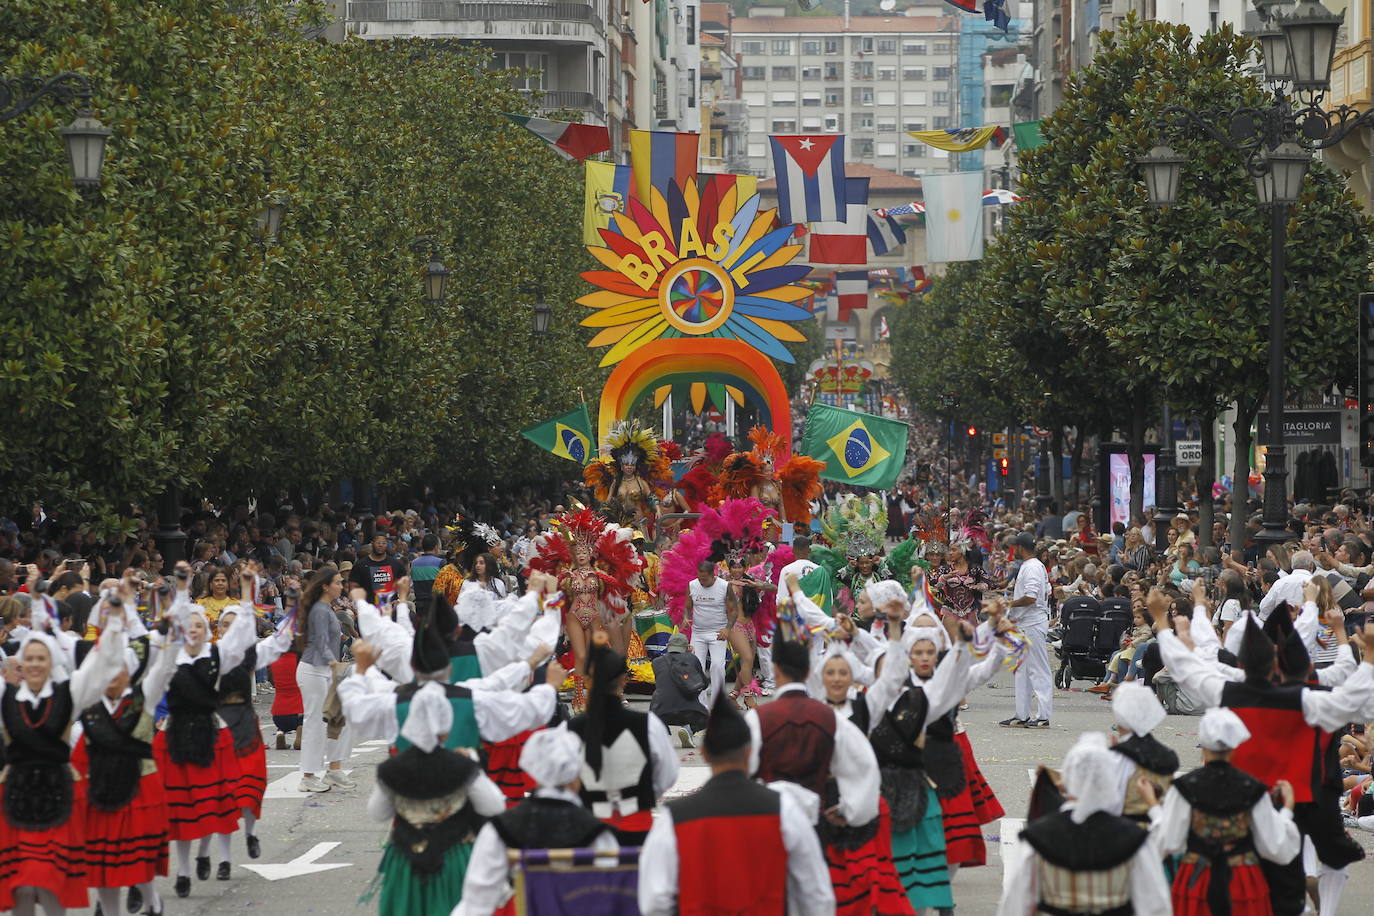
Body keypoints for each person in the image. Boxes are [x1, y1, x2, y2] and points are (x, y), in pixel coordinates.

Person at [638, 691, 835, 916]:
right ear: (750, 751)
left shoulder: (674, 818)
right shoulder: (784, 810)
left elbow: (655, 902)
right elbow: (816, 895)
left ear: (704, 753)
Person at [0, 588, 128, 915]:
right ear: (20, 663)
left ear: (51, 663)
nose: (34, 664)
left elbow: (100, 664)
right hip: (15, 797)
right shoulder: (7, 697)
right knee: (21, 887)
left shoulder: (67, 694)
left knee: (49, 881)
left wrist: (113, 622)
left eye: (41, 658)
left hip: (57, 794)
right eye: (29, 658)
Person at [72, 592, 179, 916]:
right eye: (107, 671)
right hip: (101, 788)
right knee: (104, 858)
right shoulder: (88, 707)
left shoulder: (142, 699)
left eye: (119, 671)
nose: (112, 677)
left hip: (139, 788)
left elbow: (163, 666)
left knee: (138, 856)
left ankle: (151, 902)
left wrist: (165, 627)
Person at [366, 679, 506, 916]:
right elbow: (494, 806)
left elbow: (377, 813)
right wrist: (473, 761)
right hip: (453, 856)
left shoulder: (391, 769)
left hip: (406, 857)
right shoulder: (462, 765)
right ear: (445, 728)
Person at [1144, 707, 1301, 916]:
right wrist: (1287, 811)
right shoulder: (1252, 787)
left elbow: (1168, 841)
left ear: (1203, 747)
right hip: (1241, 878)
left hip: (1197, 878)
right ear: (1234, 748)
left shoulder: (1185, 786)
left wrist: (1155, 808)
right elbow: (1276, 847)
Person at [999, 731, 1171, 915]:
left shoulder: (1037, 837)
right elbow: (1155, 907)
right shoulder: (1135, 840)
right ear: (1110, 781)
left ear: (1067, 782)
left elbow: (1014, 905)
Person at [453, 724, 617, 916]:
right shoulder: (596, 831)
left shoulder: (501, 827)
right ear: (575, 777)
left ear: (534, 771)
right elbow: (607, 894)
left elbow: (478, 897)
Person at [569, 636, 678, 844]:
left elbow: (561, 778)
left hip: (588, 833)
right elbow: (668, 775)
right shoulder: (648, 725)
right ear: (623, 680)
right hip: (637, 831)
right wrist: (643, 792)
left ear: (588, 681)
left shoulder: (572, 729)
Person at [296, 565, 355, 793]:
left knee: (340, 719)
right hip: (314, 670)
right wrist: (336, 665)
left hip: (325, 670)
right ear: (325, 586)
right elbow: (320, 643)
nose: (342, 585)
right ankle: (308, 776)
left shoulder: (326, 607)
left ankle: (334, 770)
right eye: (338, 582)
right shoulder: (320, 610)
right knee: (315, 724)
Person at [1107, 682, 1179, 825]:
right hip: (1160, 829)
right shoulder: (1167, 754)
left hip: (1127, 832)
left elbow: (1112, 802)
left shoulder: (1120, 756)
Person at [1002, 532, 1052, 728]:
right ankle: (1021, 714)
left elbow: (1031, 597)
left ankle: (1043, 715)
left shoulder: (1031, 567)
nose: (1013, 550)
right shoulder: (1033, 566)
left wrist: (1009, 603)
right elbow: (1044, 592)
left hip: (1033, 623)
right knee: (1022, 670)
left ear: (1020, 548)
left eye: (1015, 547)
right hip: (1026, 623)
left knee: (1038, 669)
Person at [683, 559, 739, 711]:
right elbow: (687, 607)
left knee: (717, 666)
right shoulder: (692, 585)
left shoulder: (724, 586)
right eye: (699, 579)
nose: (701, 582)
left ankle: (717, 705)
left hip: (717, 633)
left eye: (705, 579)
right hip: (698, 634)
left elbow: (734, 610)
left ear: (713, 575)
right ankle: (700, 705)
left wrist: (727, 628)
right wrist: (686, 617)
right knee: (696, 668)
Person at [649, 632, 708, 744]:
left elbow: (662, 683)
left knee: (660, 696)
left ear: (668, 646)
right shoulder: (692, 659)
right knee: (706, 717)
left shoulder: (656, 662)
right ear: (687, 647)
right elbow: (704, 684)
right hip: (689, 711)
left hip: (661, 711)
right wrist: (691, 656)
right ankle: (689, 730)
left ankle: (663, 732)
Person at [352, 532, 406, 603]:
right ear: (372, 543)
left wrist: (399, 600)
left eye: (383, 543)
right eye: (378, 543)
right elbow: (353, 586)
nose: (380, 545)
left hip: (391, 606)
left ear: (387, 544)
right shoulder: (361, 565)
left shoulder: (396, 564)